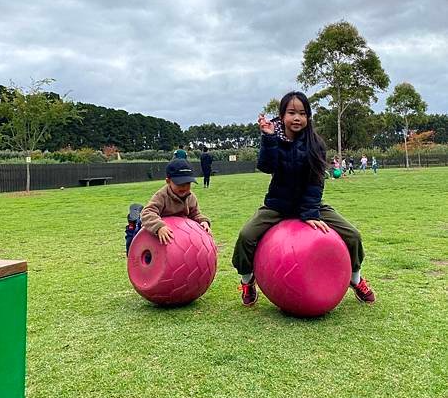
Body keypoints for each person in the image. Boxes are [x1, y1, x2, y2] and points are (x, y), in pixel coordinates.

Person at [232, 91, 375, 307]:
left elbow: (315, 181)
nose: (297, 118)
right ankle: (247, 280)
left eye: (302, 113)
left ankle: (355, 278)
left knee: (353, 235)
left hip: (311, 205)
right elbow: (266, 166)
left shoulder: (315, 144)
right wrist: (268, 138)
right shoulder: (275, 139)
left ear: (308, 117)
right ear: (282, 116)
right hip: (278, 205)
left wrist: (309, 213)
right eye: (291, 113)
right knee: (246, 236)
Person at [140, 159, 211, 244]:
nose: (184, 187)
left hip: (181, 235)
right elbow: (147, 213)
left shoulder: (190, 197)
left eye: (188, 184)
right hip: (162, 236)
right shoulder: (162, 196)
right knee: (135, 232)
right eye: (180, 184)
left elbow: (195, 214)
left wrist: (203, 221)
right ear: (168, 181)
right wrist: (159, 227)